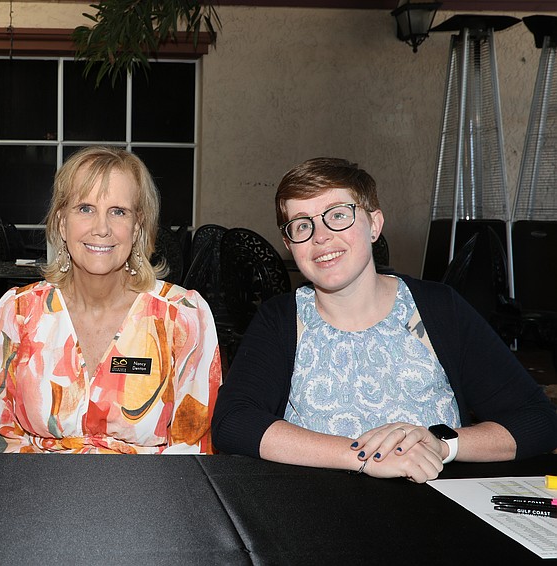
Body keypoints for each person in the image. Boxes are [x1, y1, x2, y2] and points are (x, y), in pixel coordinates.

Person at [212, 157, 557, 482]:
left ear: (374, 224)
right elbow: (233, 422)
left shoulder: (438, 309)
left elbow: (539, 420)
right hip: (318, 512)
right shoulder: (280, 320)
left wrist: (442, 445)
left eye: (338, 215)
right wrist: (364, 457)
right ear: (290, 244)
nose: (320, 236)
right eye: (303, 224)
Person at [0, 146, 221, 454]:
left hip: (150, 484)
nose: (101, 228)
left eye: (118, 211)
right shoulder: (17, 312)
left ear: (137, 226)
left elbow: (194, 448)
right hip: (36, 483)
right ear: (62, 223)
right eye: (85, 208)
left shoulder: (183, 316)